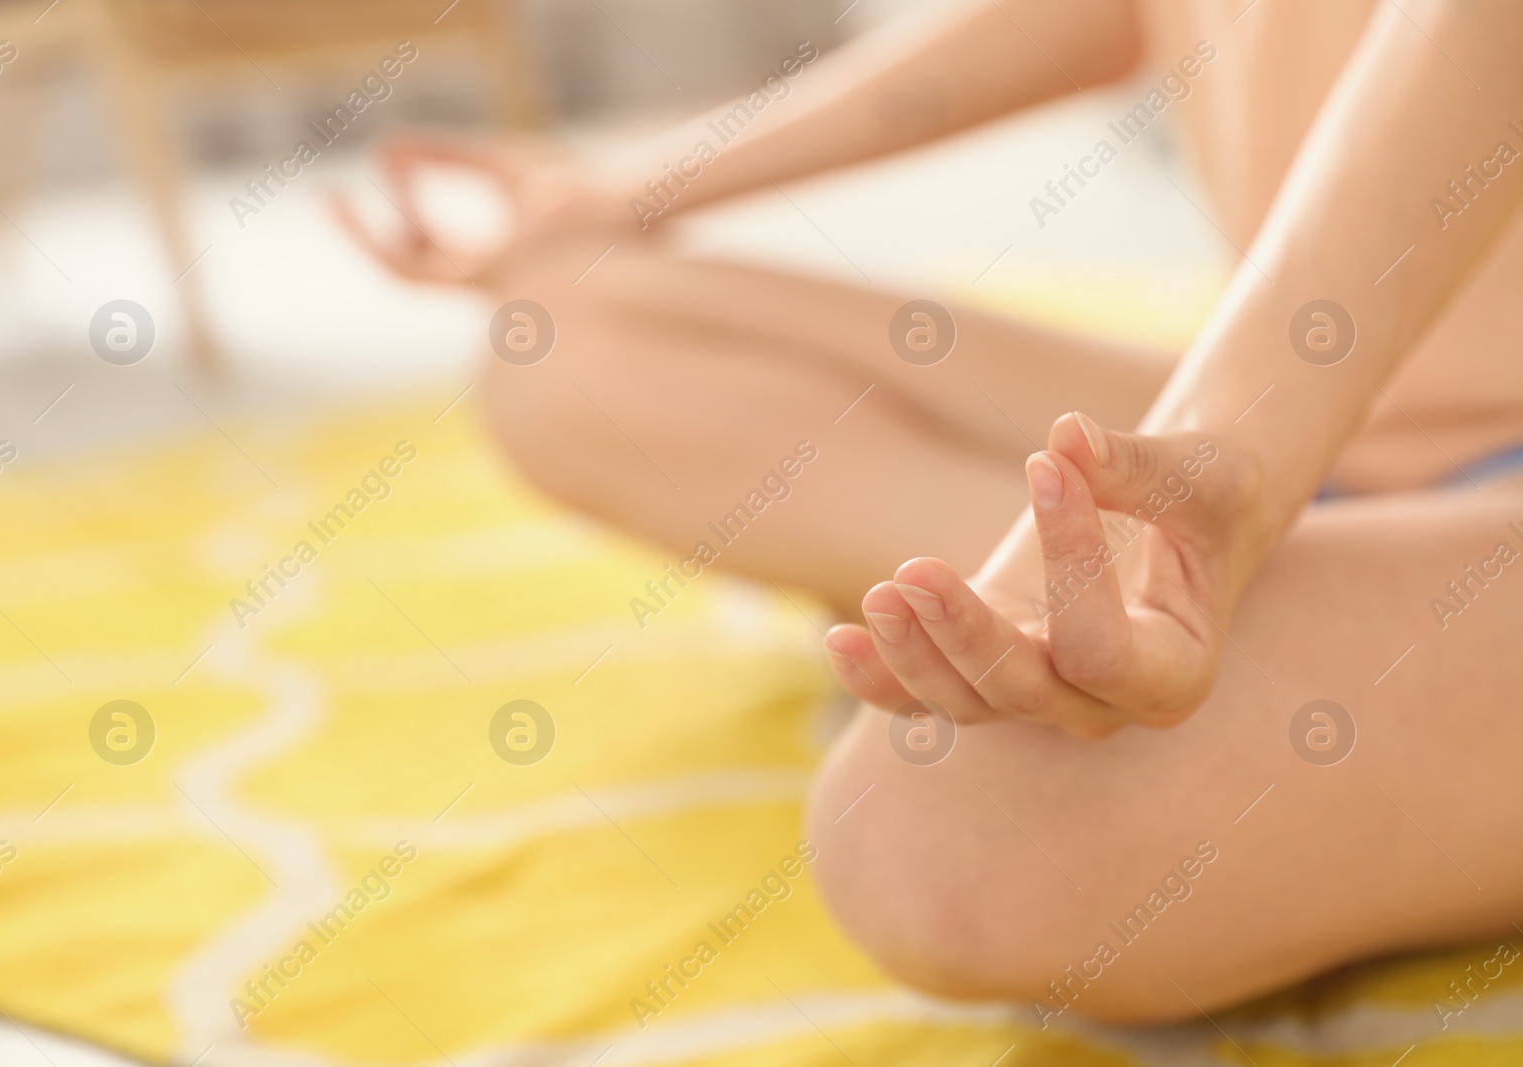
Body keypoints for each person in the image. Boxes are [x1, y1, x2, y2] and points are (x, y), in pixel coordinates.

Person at [340, 0, 1523, 1025]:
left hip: (1347, 442)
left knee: (937, 841)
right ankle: (1162, 582)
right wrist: (616, 191)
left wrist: (1240, 449)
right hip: (1317, 405)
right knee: (567, 336)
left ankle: (1209, 580)